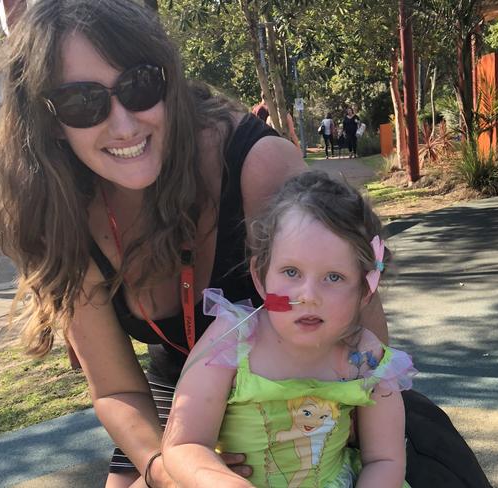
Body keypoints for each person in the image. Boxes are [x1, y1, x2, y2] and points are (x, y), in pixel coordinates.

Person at [0, 1, 322, 486]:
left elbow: (361, 337)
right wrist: (162, 467)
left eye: (139, 84)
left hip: (301, 390)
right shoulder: (59, 210)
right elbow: (115, 389)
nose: (124, 124)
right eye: (83, 102)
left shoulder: (259, 166)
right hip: (178, 394)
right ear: (47, 119)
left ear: (167, 78)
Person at [162, 171, 416, 487]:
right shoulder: (233, 340)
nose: (308, 295)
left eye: (333, 277)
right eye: (291, 272)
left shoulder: (366, 357)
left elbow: (385, 459)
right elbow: (184, 444)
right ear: (260, 276)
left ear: (365, 290)